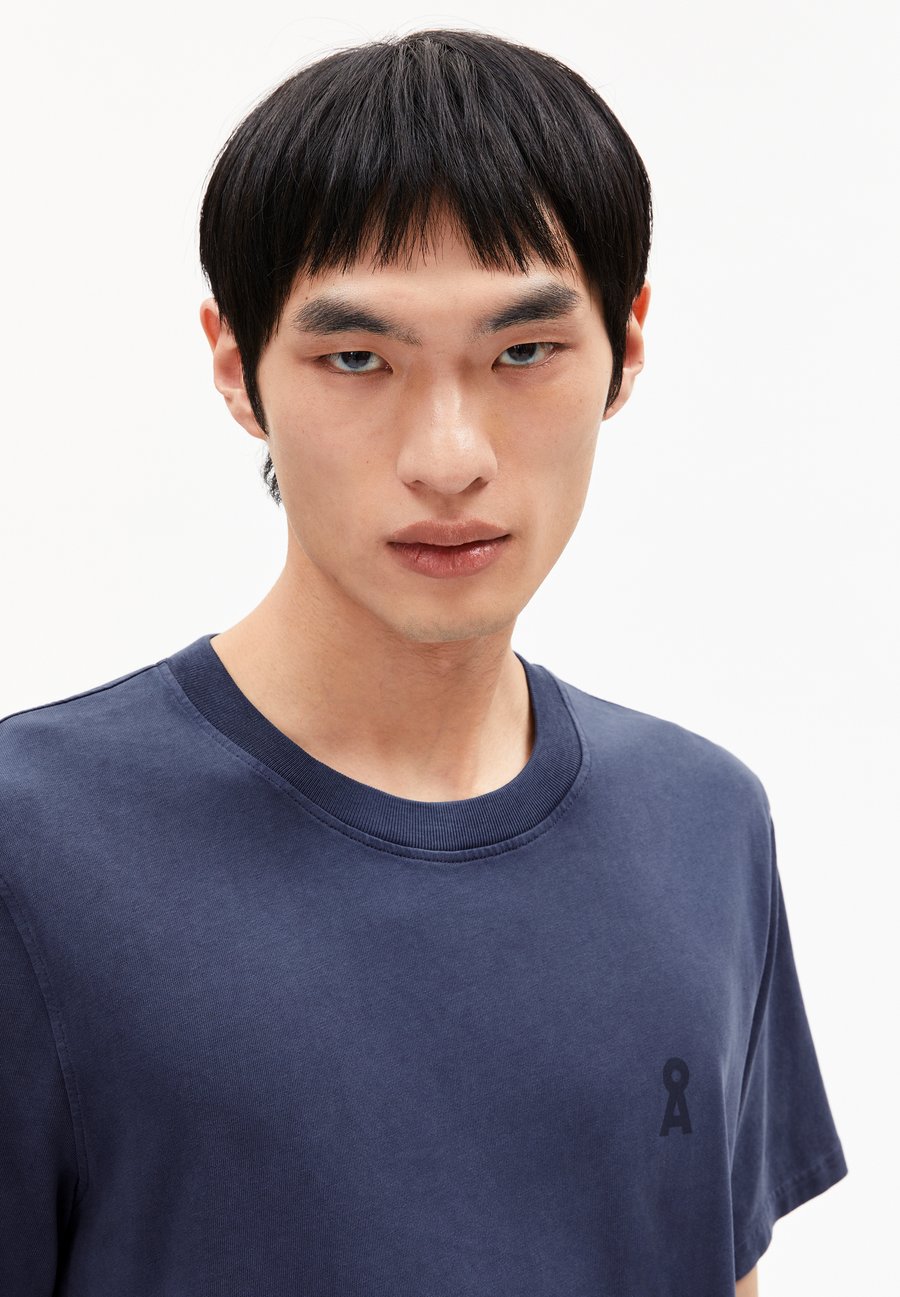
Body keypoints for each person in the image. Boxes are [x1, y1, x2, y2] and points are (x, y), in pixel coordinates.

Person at [0, 27, 847, 1297]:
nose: (449, 457)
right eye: (358, 358)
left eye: (524, 352)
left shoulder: (704, 821)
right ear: (235, 367)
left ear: (627, 346)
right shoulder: (32, 843)